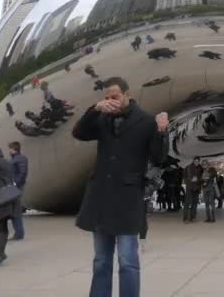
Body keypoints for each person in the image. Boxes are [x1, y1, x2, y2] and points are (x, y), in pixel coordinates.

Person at [71, 76, 169, 297]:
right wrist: (95, 109)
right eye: (106, 97)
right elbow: (79, 133)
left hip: (127, 199)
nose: (110, 100)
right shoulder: (102, 117)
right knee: (101, 260)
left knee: (128, 262)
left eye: (114, 96)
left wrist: (162, 131)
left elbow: (158, 157)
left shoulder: (145, 121)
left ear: (127, 95)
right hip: (101, 198)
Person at [8, 142, 28, 240]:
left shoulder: (19, 159)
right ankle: (18, 233)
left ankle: (19, 233)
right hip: (15, 187)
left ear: (14, 149)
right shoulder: (16, 159)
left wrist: (16, 184)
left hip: (16, 187)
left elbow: (22, 173)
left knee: (15, 210)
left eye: (10, 149)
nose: (9, 151)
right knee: (14, 210)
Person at [183, 157, 202, 224]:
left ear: (199, 161)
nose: (196, 162)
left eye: (198, 161)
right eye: (195, 161)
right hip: (189, 187)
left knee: (194, 203)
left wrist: (198, 180)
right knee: (187, 203)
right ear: (193, 161)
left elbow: (201, 178)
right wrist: (190, 180)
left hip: (196, 188)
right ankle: (185, 219)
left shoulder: (200, 168)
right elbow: (184, 178)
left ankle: (192, 217)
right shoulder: (188, 167)